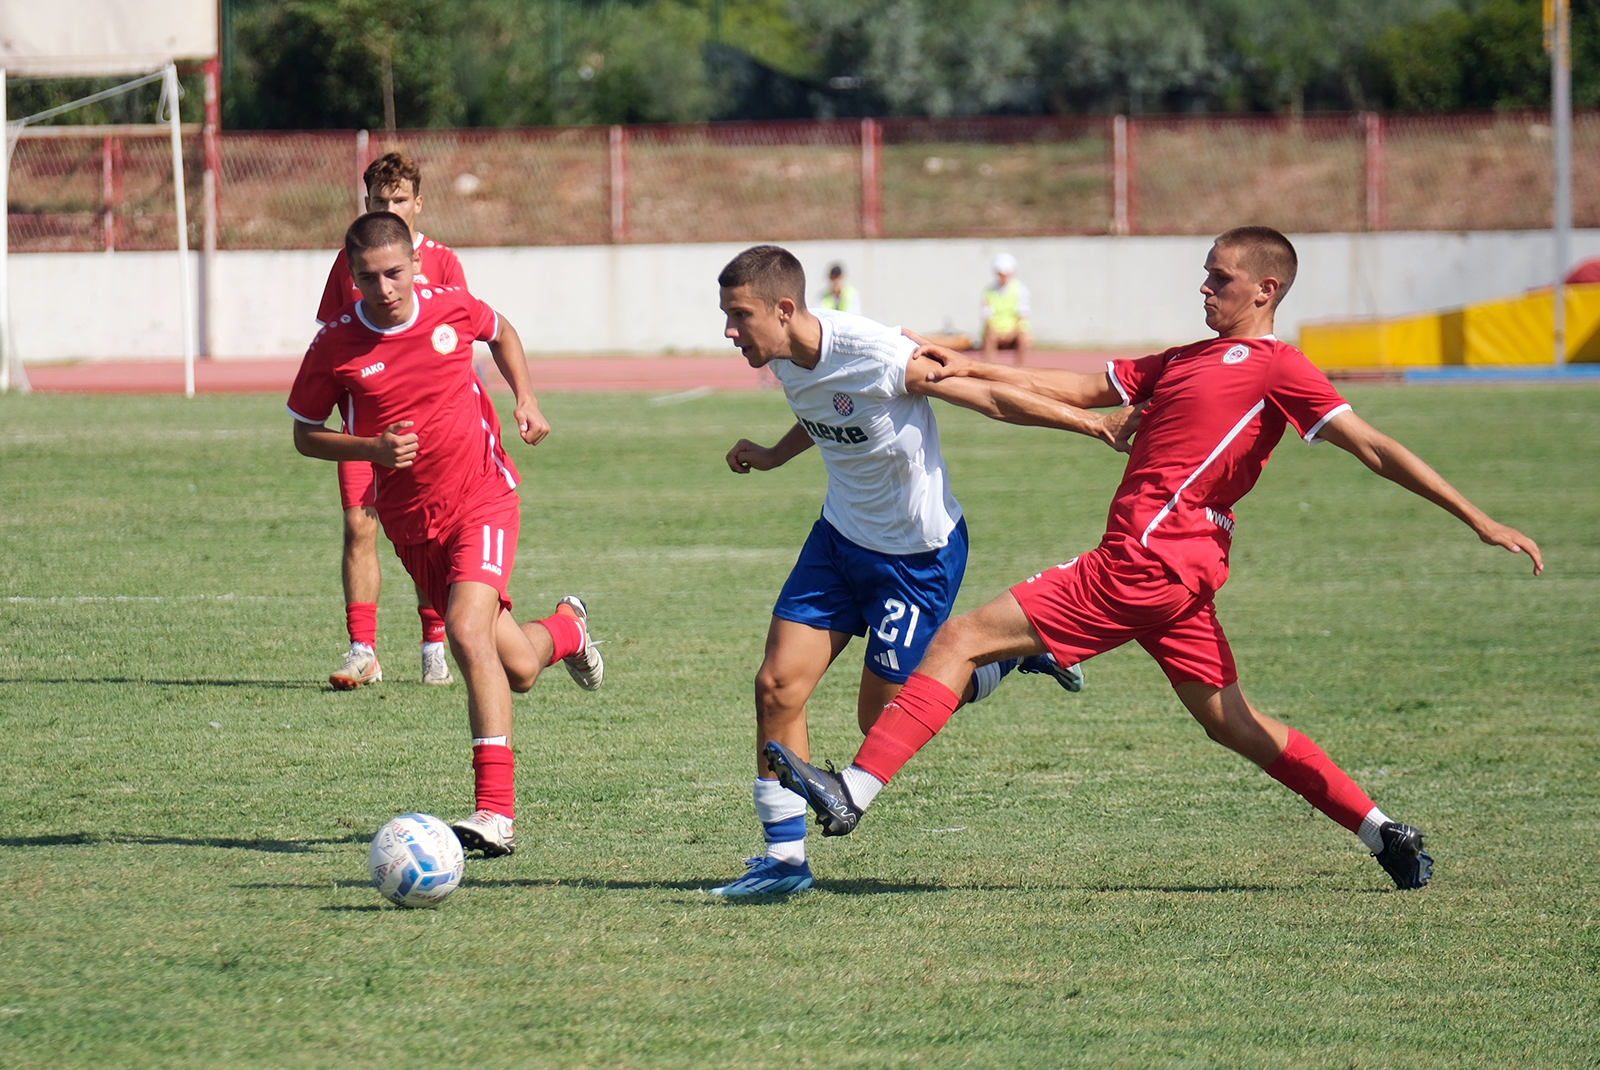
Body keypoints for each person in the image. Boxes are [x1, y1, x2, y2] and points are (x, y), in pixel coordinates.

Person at [767, 226, 1544, 891]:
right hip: (1183, 577)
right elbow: (1080, 386)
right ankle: (1383, 834)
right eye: (1206, 275)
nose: (1205, 288)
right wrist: (971, 366)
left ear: (1266, 290)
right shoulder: (1181, 361)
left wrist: (1477, 518)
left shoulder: (1278, 368)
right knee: (1233, 724)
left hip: (1145, 562)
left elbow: (1371, 445)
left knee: (961, 638)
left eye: (1221, 279)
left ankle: (854, 792)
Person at [709, 245, 1136, 897]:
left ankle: (1005, 657)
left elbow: (989, 399)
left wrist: (1096, 425)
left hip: (917, 558)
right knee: (776, 686)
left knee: (879, 721)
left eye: (739, 316)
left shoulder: (875, 352)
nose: (729, 332)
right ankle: (783, 860)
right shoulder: (786, 355)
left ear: (785, 308)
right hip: (837, 542)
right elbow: (822, 411)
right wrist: (773, 454)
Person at [288, 211, 605, 858]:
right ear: (351, 277)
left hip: (482, 497)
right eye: (369, 278)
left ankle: (495, 814)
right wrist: (369, 448)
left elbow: (503, 331)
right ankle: (569, 629)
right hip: (410, 522)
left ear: (414, 265)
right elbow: (303, 433)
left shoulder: (450, 308)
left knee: (463, 631)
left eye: (395, 273)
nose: (385, 289)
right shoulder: (334, 346)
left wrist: (527, 399)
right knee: (516, 667)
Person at [315, 152, 470, 690]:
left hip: (430, 437)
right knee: (359, 525)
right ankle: (363, 649)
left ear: (418, 203)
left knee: (426, 537)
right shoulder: (350, 261)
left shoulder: (445, 263)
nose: (390, 209)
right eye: (380, 202)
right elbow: (332, 341)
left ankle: (433, 646)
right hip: (365, 431)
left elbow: (465, 340)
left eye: (399, 200)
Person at [981, 253, 1032, 366]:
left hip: (1015, 330)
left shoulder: (1020, 289)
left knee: (1024, 338)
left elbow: (1022, 315)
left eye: (1006, 272)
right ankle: (988, 369)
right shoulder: (989, 291)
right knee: (990, 337)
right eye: (1001, 273)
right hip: (996, 331)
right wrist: (994, 330)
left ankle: (1019, 369)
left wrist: (1012, 333)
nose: (1003, 275)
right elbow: (986, 315)